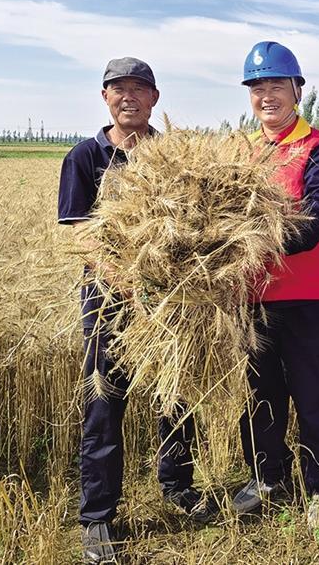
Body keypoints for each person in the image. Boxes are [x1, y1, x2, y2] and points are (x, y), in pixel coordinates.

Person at [58, 58, 212, 564]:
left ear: (155, 99)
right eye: (119, 89)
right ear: (104, 97)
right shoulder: (85, 157)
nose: (129, 97)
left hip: (171, 301)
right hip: (108, 303)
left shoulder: (173, 157)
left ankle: (177, 487)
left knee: (176, 393)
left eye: (139, 89)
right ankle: (97, 518)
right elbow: (78, 233)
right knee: (105, 403)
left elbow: (196, 221)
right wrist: (125, 279)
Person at [233, 41, 319, 530]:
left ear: (297, 90)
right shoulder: (241, 155)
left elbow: (318, 217)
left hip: (306, 299)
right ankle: (267, 479)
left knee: (314, 393)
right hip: (251, 301)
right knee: (261, 395)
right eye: (257, 87)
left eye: (275, 84)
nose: (266, 95)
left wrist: (253, 241)